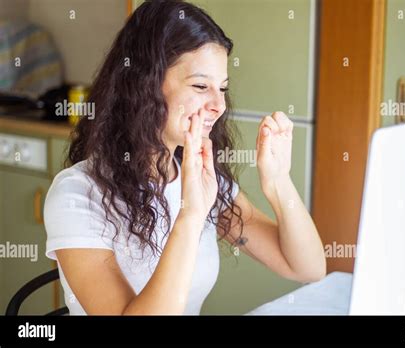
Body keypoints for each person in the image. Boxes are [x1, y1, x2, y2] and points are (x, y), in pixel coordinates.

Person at [44, 0, 326, 315]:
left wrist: (277, 182)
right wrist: (191, 216)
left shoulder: (199, 178)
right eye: (201, 85)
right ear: (143, 85)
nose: (219, 105)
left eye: (222, 88)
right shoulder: (77, 194)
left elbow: (306, 268)